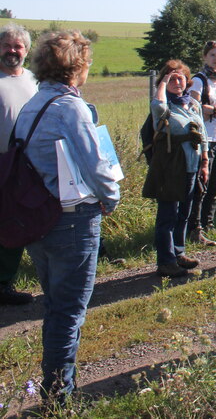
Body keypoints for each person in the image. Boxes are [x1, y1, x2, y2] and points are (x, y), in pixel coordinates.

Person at [14, 30, 121, 404]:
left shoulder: (34, 103)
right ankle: (58, 398)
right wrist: (112, 197)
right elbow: (96, 166)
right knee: (69, 313)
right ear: (77, 67)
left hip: (39, 220)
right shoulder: (70, 107)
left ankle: (54, 388)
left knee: (55, 308)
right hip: (73, 220)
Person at [148, 61, 208, 277]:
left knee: (184, 212)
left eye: (179, 78)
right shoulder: (164, 107)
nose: (176, 82)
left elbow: (203, 135)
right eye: (171, 79)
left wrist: (205, 161)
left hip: (192, 166)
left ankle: (178, 252)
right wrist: (162, 83)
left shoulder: (193, 104)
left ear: (187, 81)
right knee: (168, 214)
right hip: (171, 167)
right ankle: (165, 261)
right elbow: (157, 107)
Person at [0, 24, 37, 305]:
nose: (13, 51)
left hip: (28, 166)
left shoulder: (34, 80)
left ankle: (5, 282)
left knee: (19, 221)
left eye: (18, 46)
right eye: (7, 45)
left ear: (26, 50)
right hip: (2, 163)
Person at [187, 40, 216, 246]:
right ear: (205, 57)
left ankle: (208, 224)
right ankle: (194, 229)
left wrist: (213, 109)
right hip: (204, 140)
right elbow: (194, 110)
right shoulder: (198, 81)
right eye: (213, 55)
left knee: (215, 186)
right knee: (201, 186)